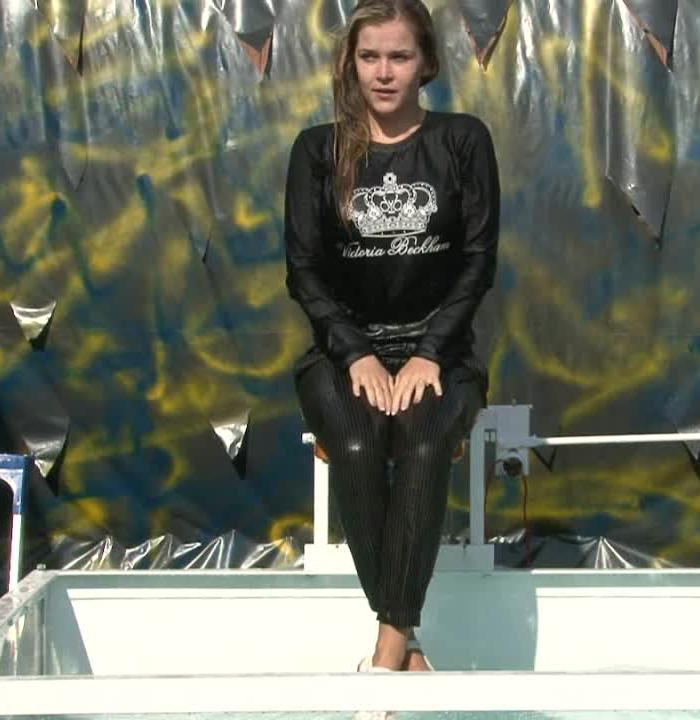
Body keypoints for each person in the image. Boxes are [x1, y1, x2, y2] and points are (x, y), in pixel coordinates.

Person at [284, 0, 499, 678]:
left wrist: (430, 353)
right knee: (356, 444)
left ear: (425, 62)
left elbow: (478, 261)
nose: (383, 72)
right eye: (370, 56)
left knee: (425, 443)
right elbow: (303, 270)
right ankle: (408, 645)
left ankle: (385, 654)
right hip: (344, 350)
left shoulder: (463, 139)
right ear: (351, 62)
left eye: (399, 56)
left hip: (442, 351)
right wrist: (357, 353)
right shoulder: (317, 151)